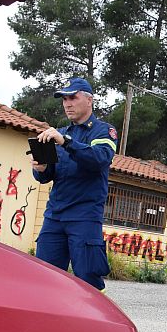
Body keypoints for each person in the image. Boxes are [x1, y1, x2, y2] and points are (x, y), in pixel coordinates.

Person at [32, 77, 117, 290]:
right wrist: (40, 169)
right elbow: (48, 175)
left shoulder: (103, 131)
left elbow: (98, 159)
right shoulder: (60, 133)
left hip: (84, 218)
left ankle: (94, 322)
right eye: (64, 99)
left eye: (72, 97)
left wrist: (66, 142)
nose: (67, 103)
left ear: (89, 100)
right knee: (44, 278)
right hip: (55, 216)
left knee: (88, 283)